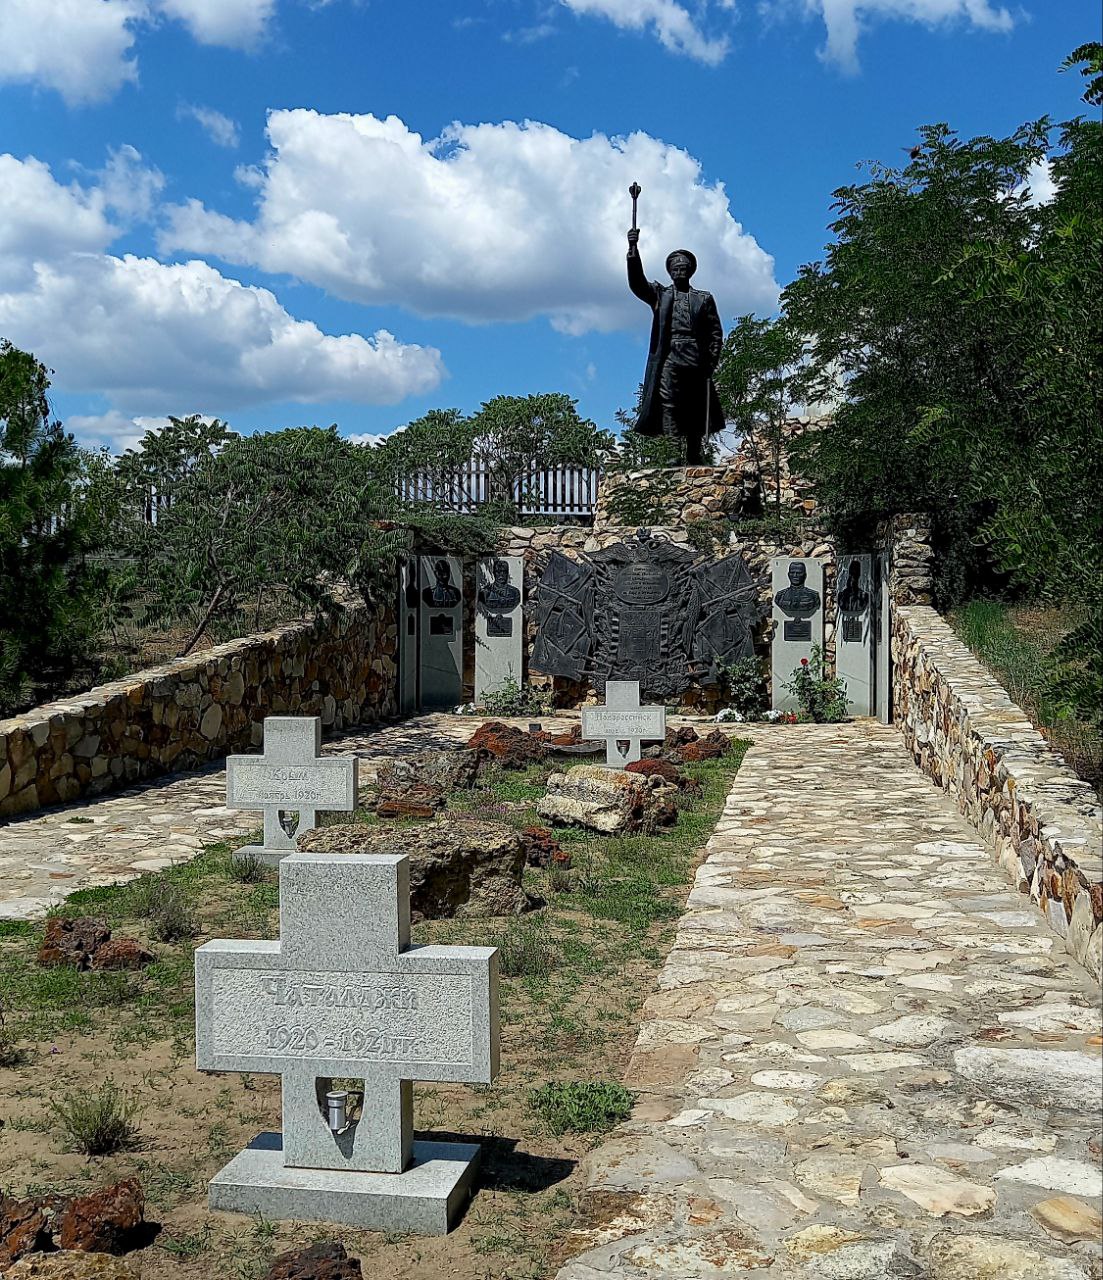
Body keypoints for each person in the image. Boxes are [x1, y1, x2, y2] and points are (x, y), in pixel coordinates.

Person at [626, 228, 724, 464]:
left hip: (695, 357)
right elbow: (638, 284)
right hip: (670, 355)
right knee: (669, 402)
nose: (679, 271)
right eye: (675, 268)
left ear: (690, 271)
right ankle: (672, 451)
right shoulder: (660, 294)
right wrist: (633, 251)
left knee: (695, 404)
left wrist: (711, 361)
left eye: (683, 268)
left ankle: (693, 452)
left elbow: (715, 332)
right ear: (669, 272)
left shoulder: (704, 298)